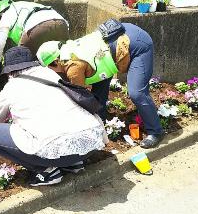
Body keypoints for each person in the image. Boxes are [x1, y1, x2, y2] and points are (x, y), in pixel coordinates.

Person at [0, 46, 107, 186]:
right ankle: (73, 164)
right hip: (90, 143)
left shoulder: (11, 88)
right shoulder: (48, 73)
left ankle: (47, 172)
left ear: (9, 71)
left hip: (60, 150)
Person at [36, 20, 163, 149]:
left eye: (48, 68)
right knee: (99, 85)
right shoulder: (68, 50)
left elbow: (81, 99)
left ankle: (156, 132)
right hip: (123, 31)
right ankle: (100, 119)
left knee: (137, 93)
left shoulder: (73, 67)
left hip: (136, 44)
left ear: (54, 62)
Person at [0, 0, 69, 74]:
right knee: (62, 62)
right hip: (61, 24)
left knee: (19, 67)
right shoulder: (25, 5)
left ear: (0, 15)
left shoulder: (7, 13)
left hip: (37, 27)